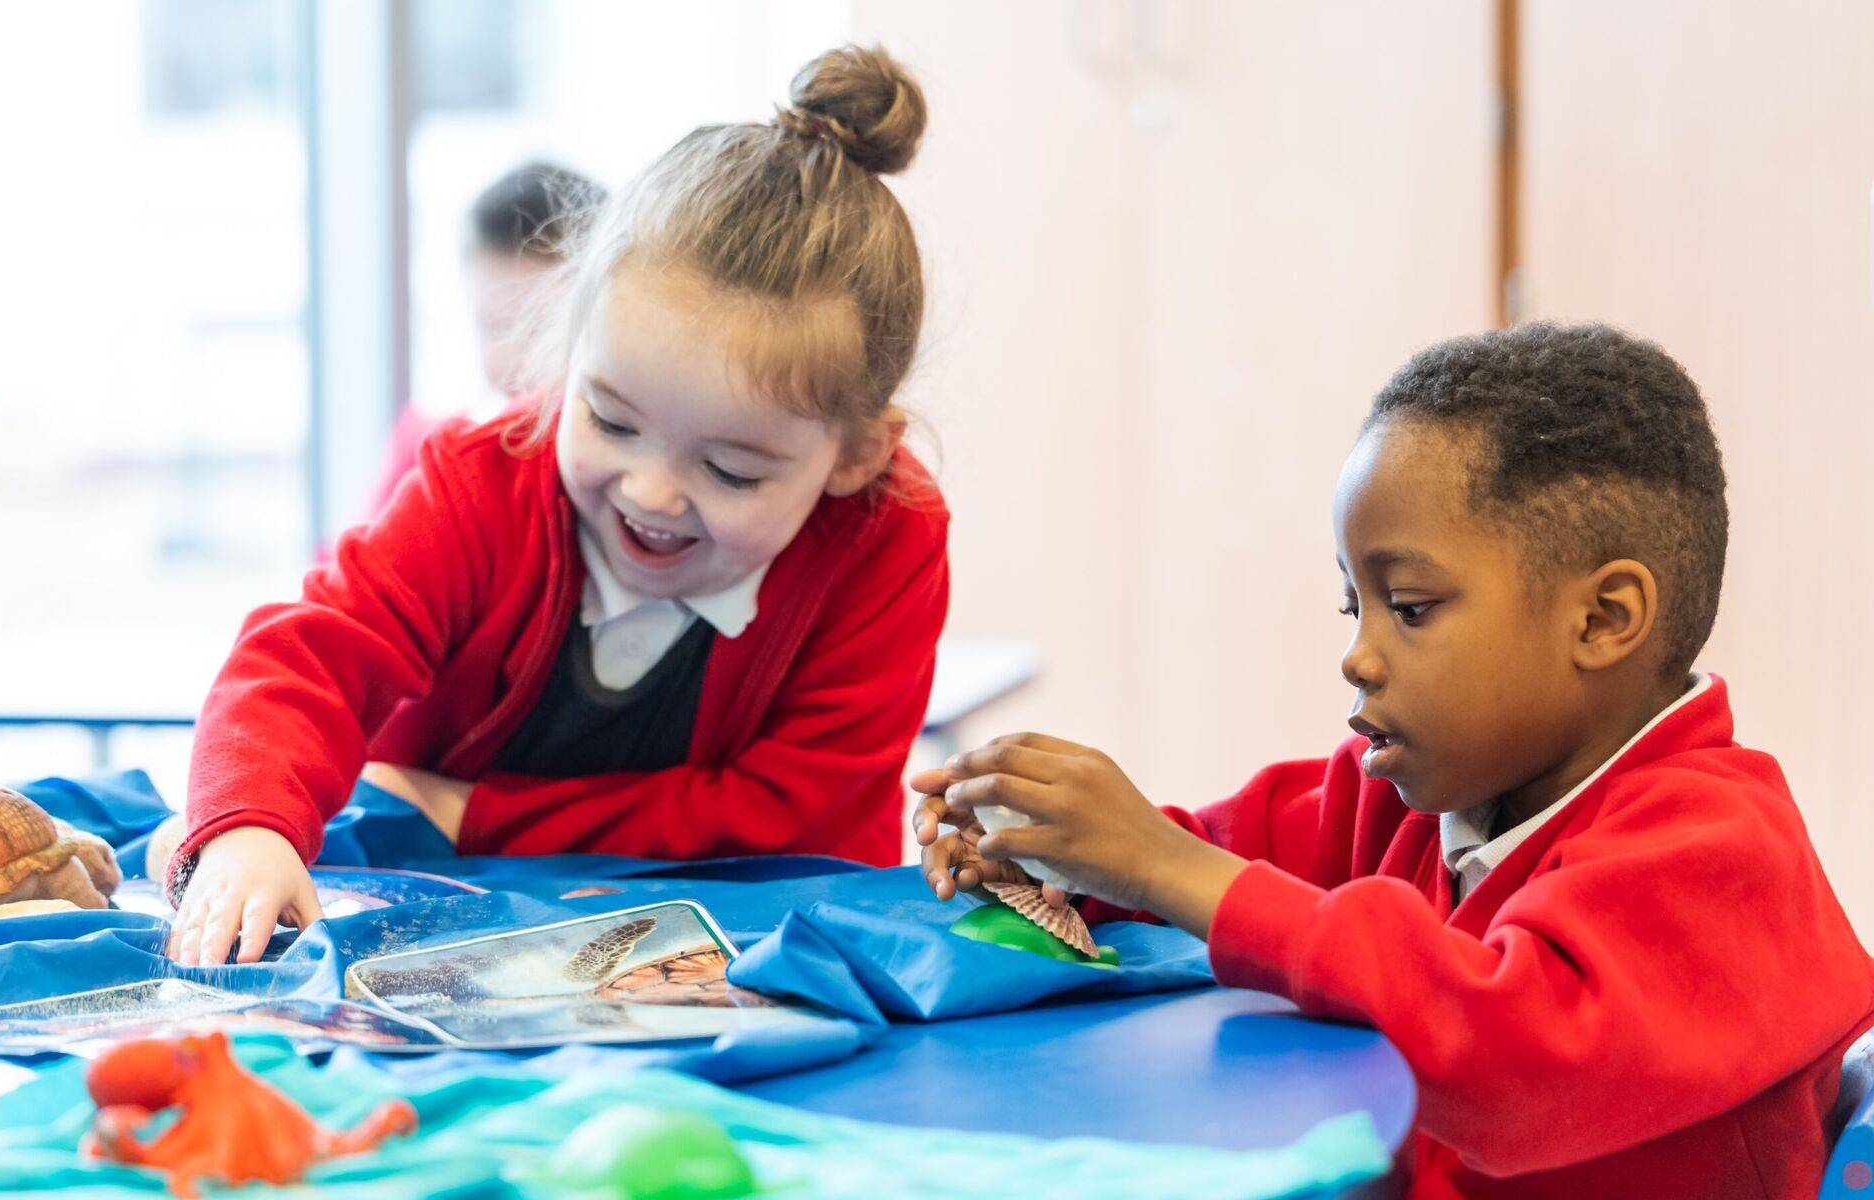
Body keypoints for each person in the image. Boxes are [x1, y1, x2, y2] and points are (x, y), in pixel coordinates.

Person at [916, 323, 1874, 1198]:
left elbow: (1505, 1056)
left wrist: (1171, 869)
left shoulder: (1719, 852)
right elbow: (1215, 854)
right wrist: (1055, 857)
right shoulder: (1414, 790)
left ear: (1602, 619)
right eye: (1354, 608)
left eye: (1410, 608)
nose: (1359, 655)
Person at [168, 45, 947, 967]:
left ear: (858, 453)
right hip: (435, 931)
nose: (653, 492)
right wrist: (250, 826)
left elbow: (791, 820)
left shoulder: (883, 542)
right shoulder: (481, 483)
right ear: (568, 351)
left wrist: (472, 813)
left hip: (750, 956)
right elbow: (307, 656)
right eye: (611, 421)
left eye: (732, 472)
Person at [360, 161, 607, 523]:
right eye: (493, 327)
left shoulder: (622, 479)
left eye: (541, 330)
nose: (514, 361)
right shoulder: (425, 453)